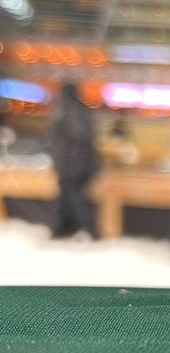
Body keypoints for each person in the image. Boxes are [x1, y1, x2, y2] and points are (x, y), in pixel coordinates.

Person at [49, 82, 99, 238]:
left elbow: (77, 137)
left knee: (76, 197)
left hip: (72, 165)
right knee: (66, 197)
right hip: (73, 164)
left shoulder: (68, 111)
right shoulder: (78, 109)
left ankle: (88, 230)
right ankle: (62, 228)